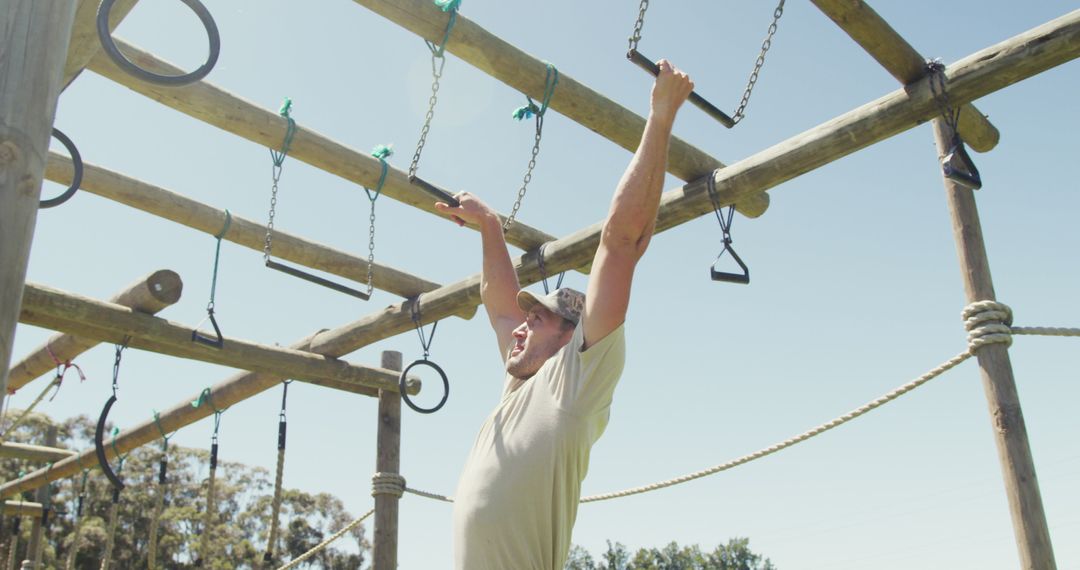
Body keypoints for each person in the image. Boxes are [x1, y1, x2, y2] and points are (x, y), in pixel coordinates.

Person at [434, 60, 694, 570]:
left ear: (570, 339)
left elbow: (620, 244)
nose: (520, 324)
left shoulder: (574, 385)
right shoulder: (519, 389)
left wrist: (661, 116)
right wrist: (489, 226)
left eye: (538, 320)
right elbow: (499, 305)